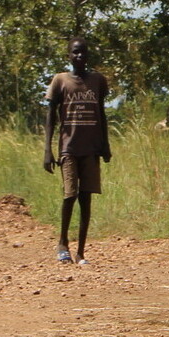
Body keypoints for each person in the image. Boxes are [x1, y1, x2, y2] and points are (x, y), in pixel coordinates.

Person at [42, 39, 110, 265]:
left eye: (83, 52)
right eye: (75, 52)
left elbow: (101, 113)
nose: (79, 56)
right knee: (70, 195)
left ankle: (81, 251)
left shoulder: (97, 80)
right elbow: (51, 117)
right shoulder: (60, 80)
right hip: (68, 148)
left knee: (86, 198)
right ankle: (62, 243)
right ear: (69, 56)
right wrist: (48, 151)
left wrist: (105, 144)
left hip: (91, 149)